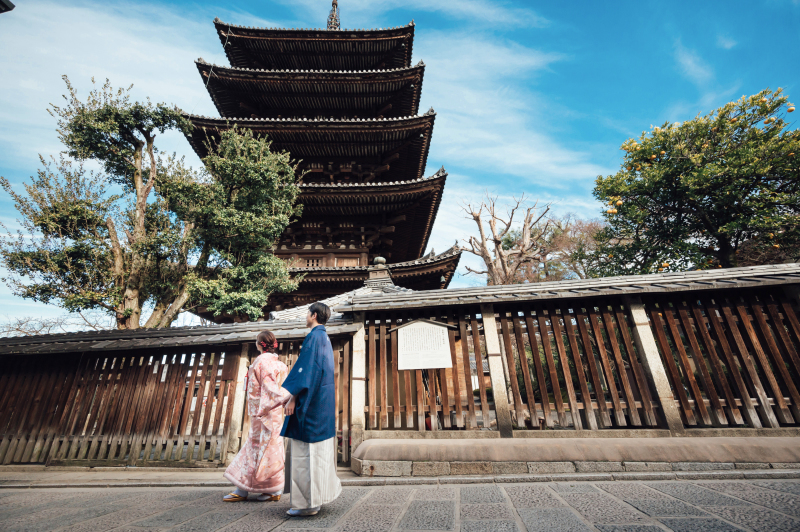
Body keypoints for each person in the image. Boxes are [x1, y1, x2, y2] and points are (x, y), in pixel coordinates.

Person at [280, 301, 342, 517]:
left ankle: (307, 503)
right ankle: (315, 499)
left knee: (305, 455)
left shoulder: (314, 337)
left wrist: (293, 397)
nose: (305, 315)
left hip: (310, 405)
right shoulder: (324, 338)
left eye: (307, 313)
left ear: (314, 315)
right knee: (318, 455)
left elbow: (305, 371)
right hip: (321, 405)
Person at [223, 330, 289, 502]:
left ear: (260, 344)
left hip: (263, 413)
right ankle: (272, 490)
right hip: (275, 414)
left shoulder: (261, 362)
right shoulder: (281, 365)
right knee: (271, 450)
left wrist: (263, 407)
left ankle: (242, 489)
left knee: (255, 449)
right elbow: (282, 388)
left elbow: (269, 389)